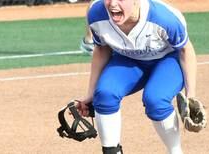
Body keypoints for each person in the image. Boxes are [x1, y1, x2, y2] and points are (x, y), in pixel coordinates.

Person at [76, 0, 197, 153]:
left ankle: (175, 151)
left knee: (155, 99)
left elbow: (185, 51)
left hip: (167, 60)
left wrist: (191, 97)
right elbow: (101, 50)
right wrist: (91, 94)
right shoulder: (97, 14)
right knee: (105, 94)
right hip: (129, 59)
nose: (112, 4)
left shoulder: (163, 17)